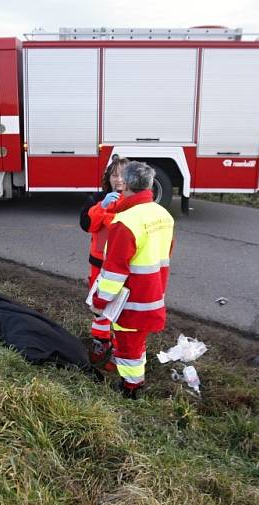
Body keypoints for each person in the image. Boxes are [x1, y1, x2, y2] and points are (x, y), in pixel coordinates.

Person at [89, 161, 175, 399]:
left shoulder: (125, 222)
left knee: (128, 346)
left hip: (131, 300)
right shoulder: (163, 215)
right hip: (154, 293)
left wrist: (99, 300)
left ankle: (131, 387)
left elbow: (114, 272)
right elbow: (166, 252)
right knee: (137, 342)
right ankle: (134, 377)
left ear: (125, 184)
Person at [79, 156, 130, 364]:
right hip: (98, 265)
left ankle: (120, 351)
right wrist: (102, 206)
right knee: (98, 307)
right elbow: (86, 225)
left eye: (123, 175)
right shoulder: (97, 199)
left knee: (121, 311)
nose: (118, 180)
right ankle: (101, 342)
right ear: (108, 178)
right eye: (114, 175)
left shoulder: (135, 202)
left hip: (124, 267)